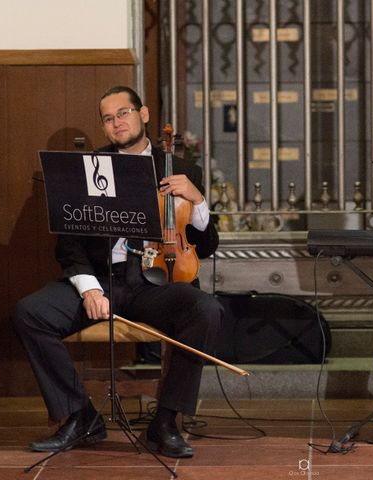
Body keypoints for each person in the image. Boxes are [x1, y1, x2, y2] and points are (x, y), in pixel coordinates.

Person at [13, 86, 223, 458]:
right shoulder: (87, 169)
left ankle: (165, 420)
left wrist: (198, 200)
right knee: (31, 312)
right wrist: (90, 290)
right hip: (99, 279)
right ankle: (81, 417)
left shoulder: (183, 169)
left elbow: (206, 246)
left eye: (123, 113)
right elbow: (69, 245)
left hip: (152, 283)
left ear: (143, 114)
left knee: (205, 309)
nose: (116, 123)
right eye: (108, 118)